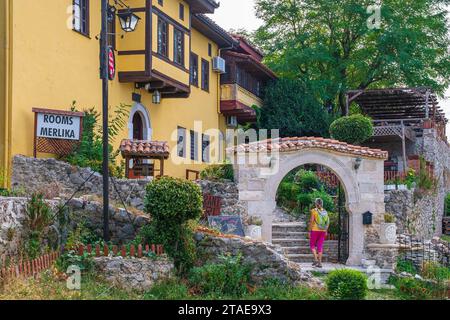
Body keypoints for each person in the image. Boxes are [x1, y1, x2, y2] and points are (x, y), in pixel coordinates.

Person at [308, 198, 330, 268]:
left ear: (316, 203)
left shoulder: (313, 211)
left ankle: (316, 259)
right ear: (322, 204)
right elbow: (328, 222)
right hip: (323, 231)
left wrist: (309, 231)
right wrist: (326, 230)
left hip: (315, 230)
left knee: (312, 245)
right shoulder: (325, 212)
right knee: (320, 246)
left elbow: (311, 221)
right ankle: (320, 263)